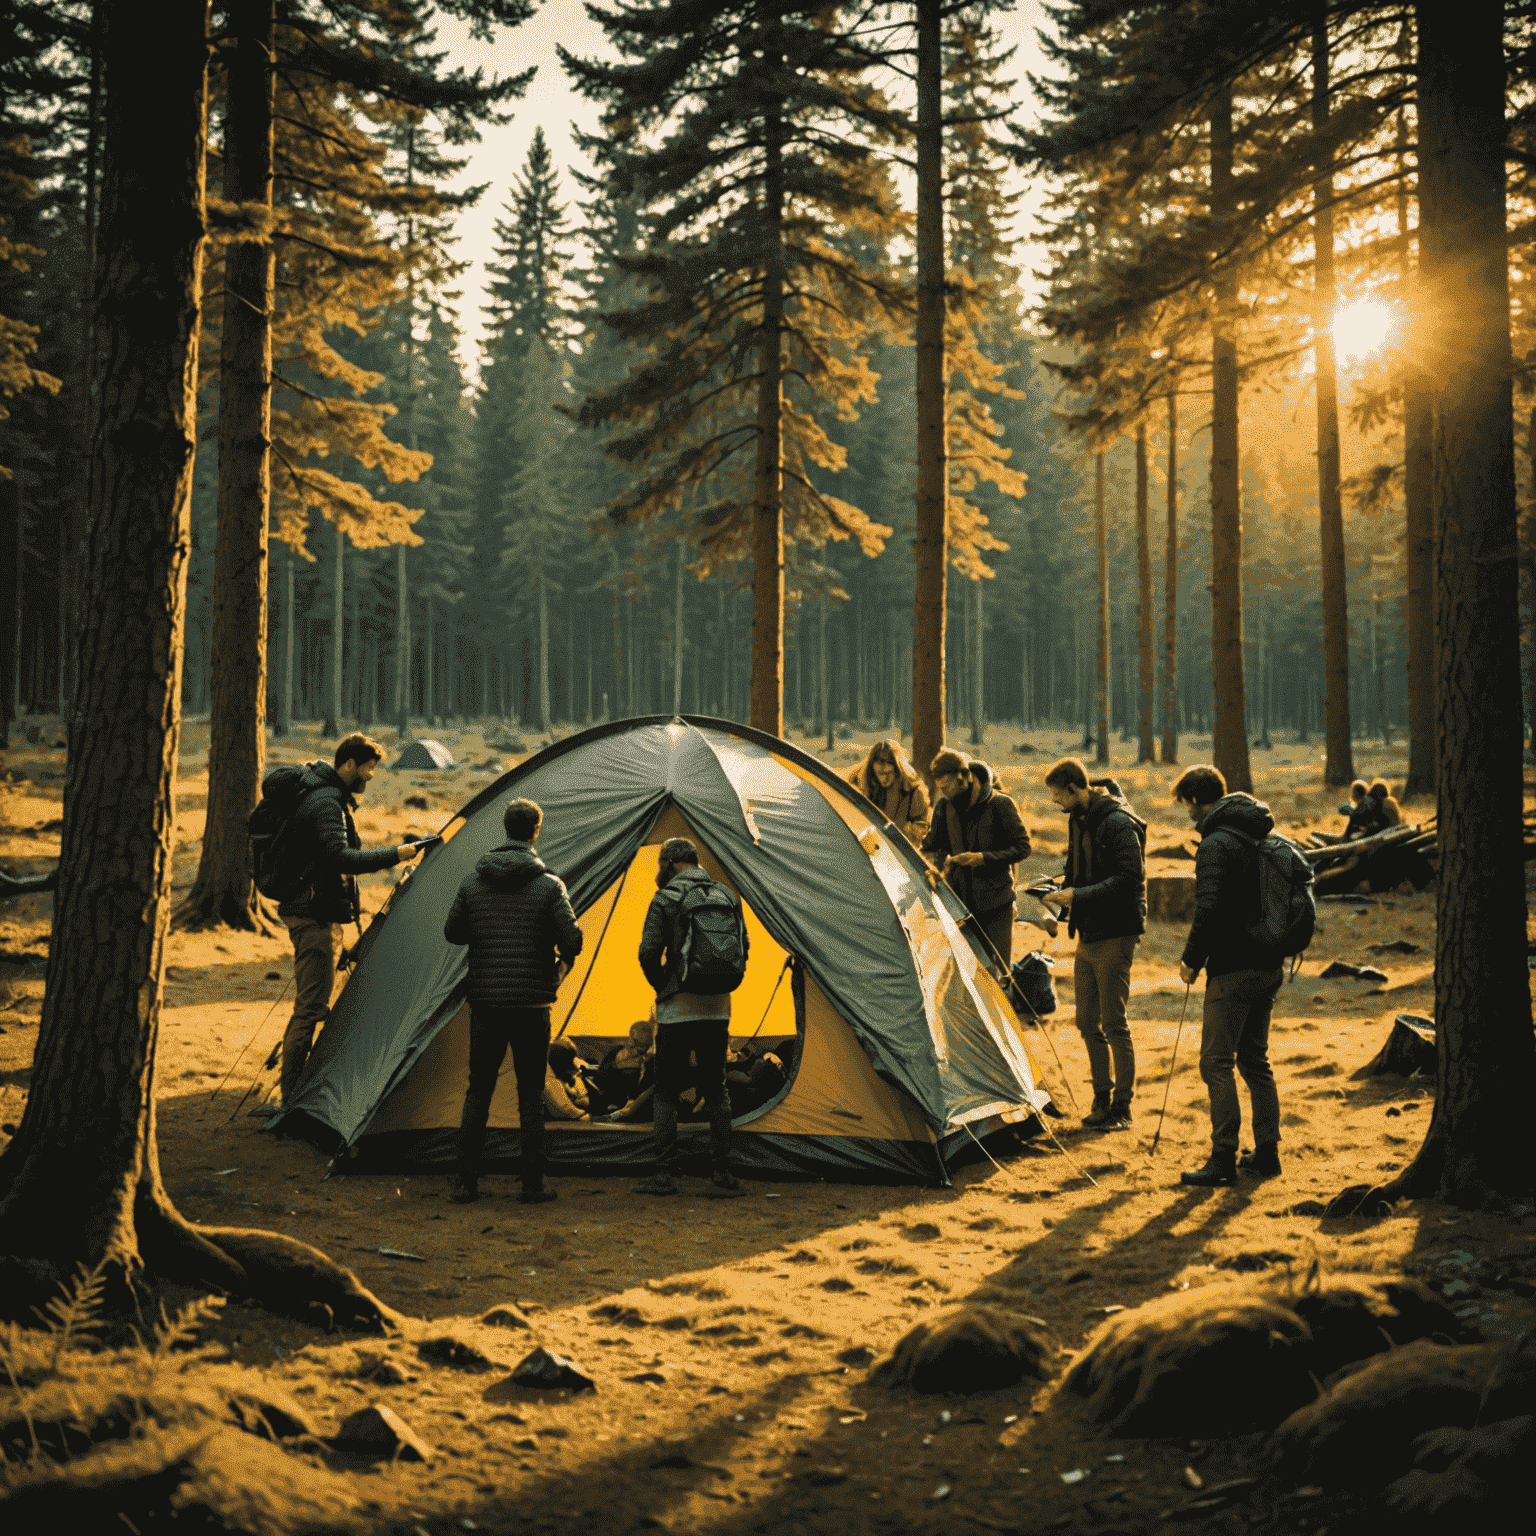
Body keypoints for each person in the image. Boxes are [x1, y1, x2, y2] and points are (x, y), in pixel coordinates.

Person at [442, 796, 583, 1204]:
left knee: (479, 1090)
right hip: (532, 1007)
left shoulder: (473, 882)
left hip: (486, 1004)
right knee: (530, 1092)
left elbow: (453, 933)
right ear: (535, 832)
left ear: (505, 829)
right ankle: (532, 1184)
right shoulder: (549, 886)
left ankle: (465, 1182)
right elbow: (571, 941)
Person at [276, 732, 424, 1107]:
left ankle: (298, 1089)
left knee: (312, 1004)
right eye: (369, 768)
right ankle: (291, 1097)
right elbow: (339, 858)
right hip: (313, 914)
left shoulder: (330, 797)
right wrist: (398, 853)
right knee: (311, 1007)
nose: (371, 776)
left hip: (315, 910)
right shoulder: (326, 802)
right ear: (348, 766)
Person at [1172, 764, 1285, 1188]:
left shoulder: (1216, 843)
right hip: (1269, 962)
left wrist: (1191, 959)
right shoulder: (1258, 834)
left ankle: (1223, 1159)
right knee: (1256, 1060)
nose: (1186, 813)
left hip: (1234, 967)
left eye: (1185, 804)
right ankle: (1268, 1154)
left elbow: (1210, 908)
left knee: (1216, 1062)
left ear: (1197, 800)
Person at [633, 837, 744, 1197]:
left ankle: (664, 1175)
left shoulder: (665, 898)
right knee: (717, 1090)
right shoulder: (727, 896)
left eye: (660, 864)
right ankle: (723, 1174)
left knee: (665, 1091)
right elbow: (745, 951)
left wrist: (665, 987)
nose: (657, 872)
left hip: (676, 1013)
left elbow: (648, 952)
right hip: (718, 1010)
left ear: (671, 863)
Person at [1043, 757, 1147, 1130]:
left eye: (1058, 795)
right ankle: (1101, 1098)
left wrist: (1079, 896)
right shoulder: (1077, 820)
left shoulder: (1117, 823)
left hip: (1117, 933)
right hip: (1087, 933)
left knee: (1114, 1023)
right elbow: (1075, 871)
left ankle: (1123, 1106)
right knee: (1087, 1022)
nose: (1055, 802)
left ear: (1075, 788)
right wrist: (1055, 895)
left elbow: (1130, 878)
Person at [921, 750, 1032, 967]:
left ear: (964, 777)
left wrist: (984, 858)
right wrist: (935, 867)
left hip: (996, 907)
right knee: (965, 973)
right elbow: (933, 846)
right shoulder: (944, 807)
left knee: (998, 972)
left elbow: (1023, 848)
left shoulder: (1000, 804)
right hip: (958, 905)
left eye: (948, 787)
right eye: (941, 788)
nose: (945, 793)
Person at [848, 740, 931, 845]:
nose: (883, 779)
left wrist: (903, 829)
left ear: (898, 770)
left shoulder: (915, 790)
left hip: (903, 852)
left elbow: (923, 834)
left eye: (888, 773)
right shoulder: (864, 784)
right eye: (880, 773)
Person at [544, 1039, 591, 1121]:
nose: (574, 1062)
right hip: (564, 1121)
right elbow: (567, 1109)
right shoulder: (550, 1081)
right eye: (571, 1059)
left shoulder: (557, 1071)